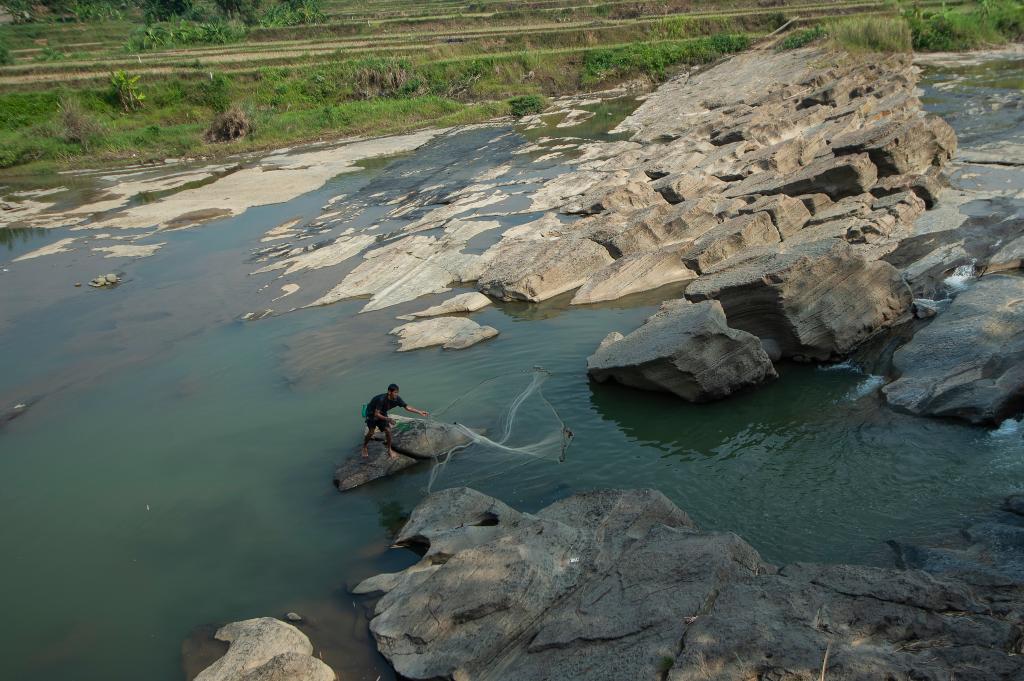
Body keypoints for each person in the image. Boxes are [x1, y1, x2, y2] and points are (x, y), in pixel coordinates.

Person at [362, 384, 429, 460]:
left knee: (388, 430)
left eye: (397, 392)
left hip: (382, 413)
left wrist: (420, 412)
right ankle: (364, 447)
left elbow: (407, 407)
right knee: (371, 432)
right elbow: (376, 414)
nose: (396, 394)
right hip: (371, 413)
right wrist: (388, 419)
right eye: (395, 392)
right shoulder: (381, 399)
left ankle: (389, 450)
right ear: (389, 392)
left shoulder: (397, 399)